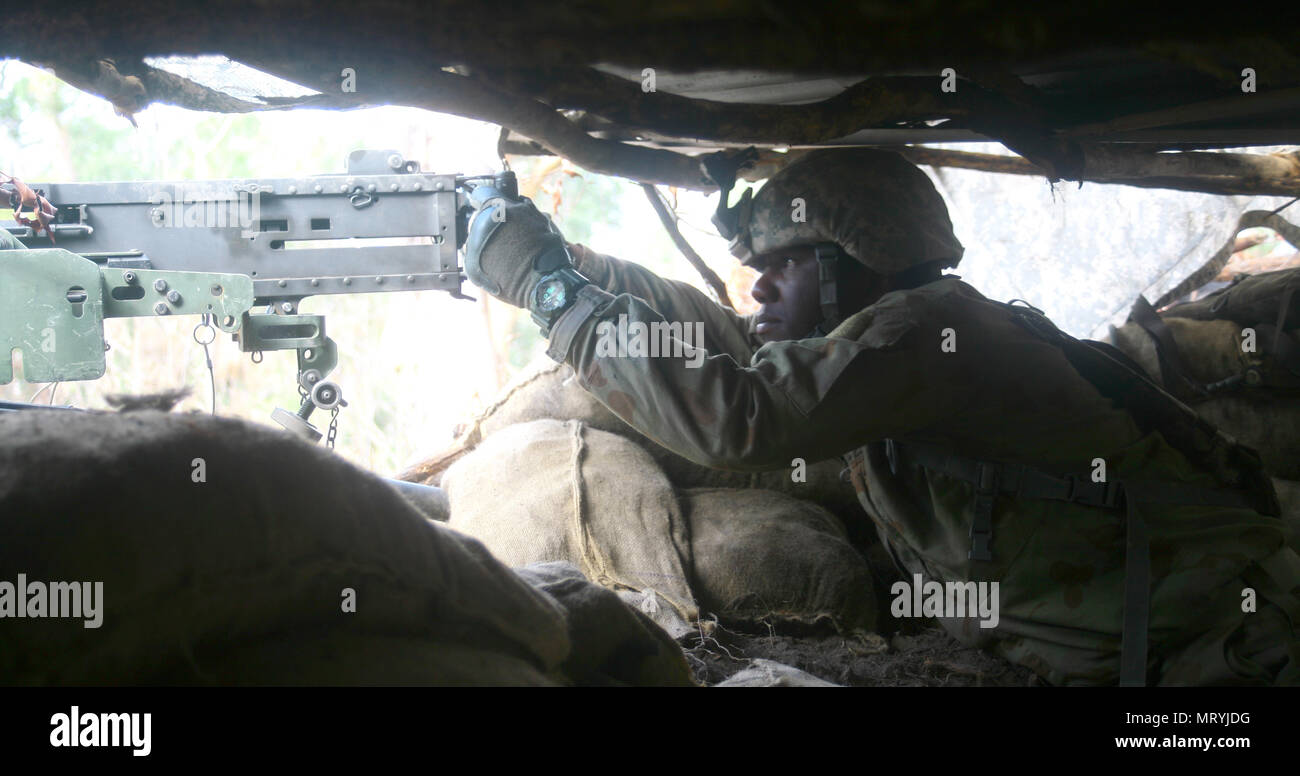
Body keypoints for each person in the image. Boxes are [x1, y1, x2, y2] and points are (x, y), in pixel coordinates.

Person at [460, 148, 1300, 686]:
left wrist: (552, 293)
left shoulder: (930, 331)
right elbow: (711, 341)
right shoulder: (885, 345)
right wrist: (570, 262)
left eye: (781, 268)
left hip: (1217, 659)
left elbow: (743, 417)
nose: (757, 290)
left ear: (853, 264)